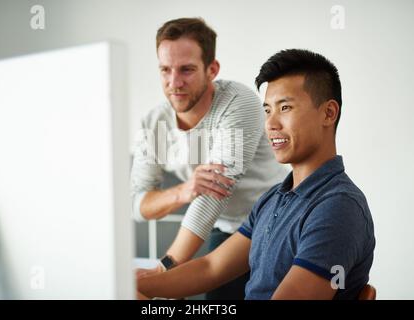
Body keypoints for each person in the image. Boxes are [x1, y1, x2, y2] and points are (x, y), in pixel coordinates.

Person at [137, 49, 376, 300]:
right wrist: (141, 287)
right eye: (267, 110)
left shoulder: (337, 207)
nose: (271, 124)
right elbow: (211, 268)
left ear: (328, 113)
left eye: (285, 107)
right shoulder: (273, 198)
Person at [131, 17, 287, 300]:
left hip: (274, 223)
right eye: (165, 70)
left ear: (212, 69)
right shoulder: (154, 123)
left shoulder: (239, 102)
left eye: (186, 70)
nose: (173, 82)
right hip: (226, 228)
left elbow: (214, 194)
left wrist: (164, 268)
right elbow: (139, 205)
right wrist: (182, 191)